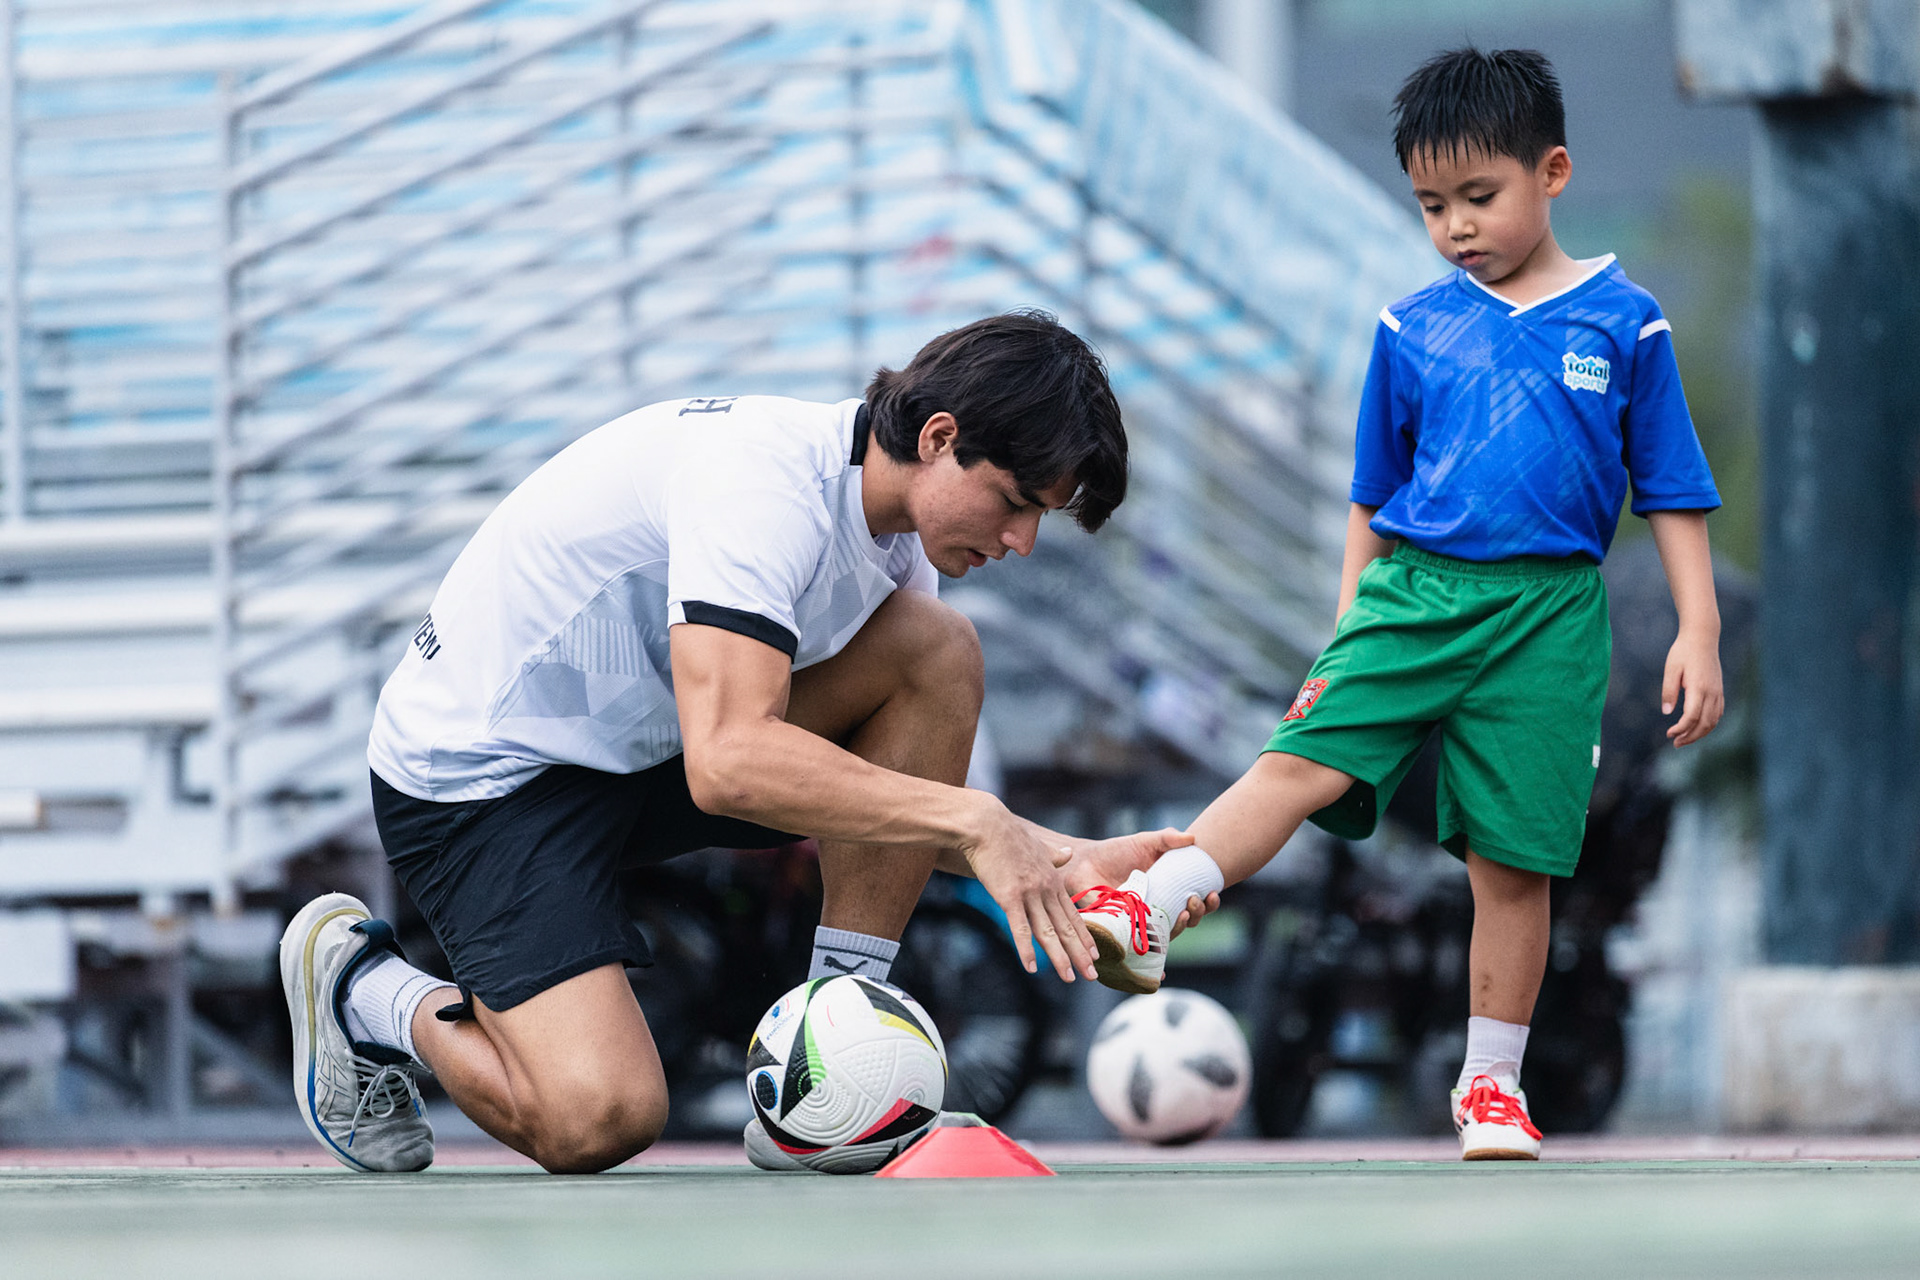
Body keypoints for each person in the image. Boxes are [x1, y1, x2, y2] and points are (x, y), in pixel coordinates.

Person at [279, 311, 1211, 1174]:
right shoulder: (764, 483)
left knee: (933, 653)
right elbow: (730, 766)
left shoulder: (897, 545)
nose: (1023, 540)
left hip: (641, 754)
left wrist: (1069, 862)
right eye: (1016, 501)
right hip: (483, 782)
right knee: (598, 1118)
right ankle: (361, 988)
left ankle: (830, 1064)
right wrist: (981, 821)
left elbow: (888, 783)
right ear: (939, 438)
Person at [1079, 47, 1724, 1160]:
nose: (1457, 225)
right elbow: (1371, 494)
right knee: (1298, 760)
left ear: (1553, 170)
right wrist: (1349, 616)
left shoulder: (1628, 324)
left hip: (1551, 616)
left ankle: (1490, 1089)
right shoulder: (1410, 327)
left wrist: (1698, 630)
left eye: (1481, 196)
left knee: (1513, 865)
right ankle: (1157, 903)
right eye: (1433, 205)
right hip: (1412, 593)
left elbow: (1671, 489)